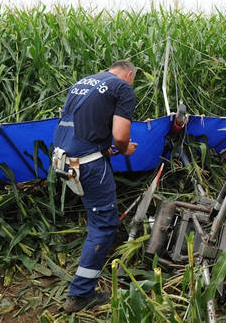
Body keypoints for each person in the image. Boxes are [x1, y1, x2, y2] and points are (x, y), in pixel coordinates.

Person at [53, 60, 138, 313]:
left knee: (101, 213)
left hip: (64, 159)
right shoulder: (122, 88)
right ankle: (80, 295)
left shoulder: (83, 82)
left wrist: (104, 150)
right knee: (102, 225)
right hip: (88, 166)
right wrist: (124, 150)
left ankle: (112, 241)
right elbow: (121, 136)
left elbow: (83, 124)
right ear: (129, 74)